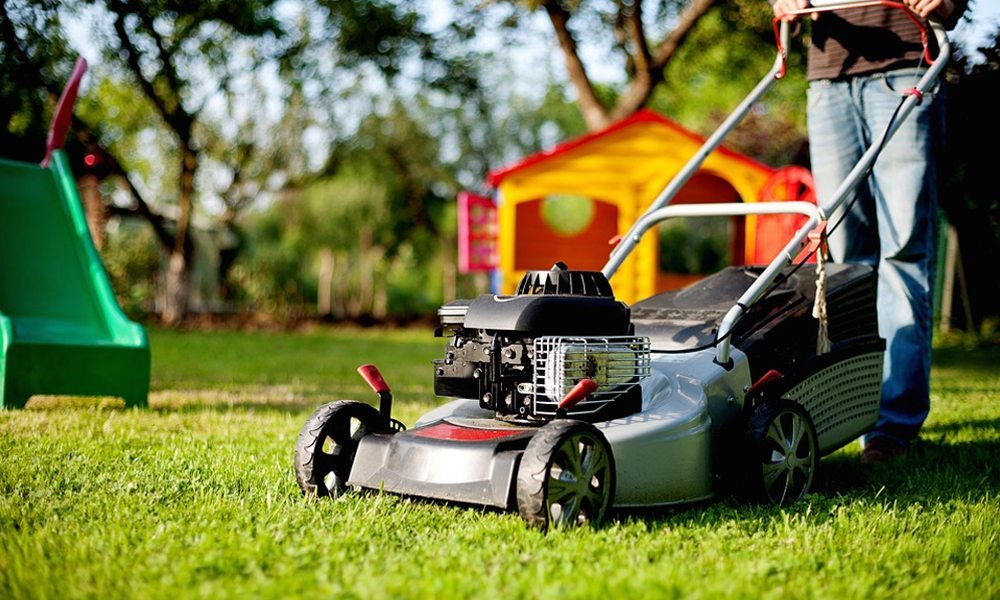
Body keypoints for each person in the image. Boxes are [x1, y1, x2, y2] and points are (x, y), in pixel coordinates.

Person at [770, 0, 967, 463]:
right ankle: (849, 410)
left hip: (906, 62)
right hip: (828, 75)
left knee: (903, 251)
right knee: (844, 259)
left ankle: (891, 425)